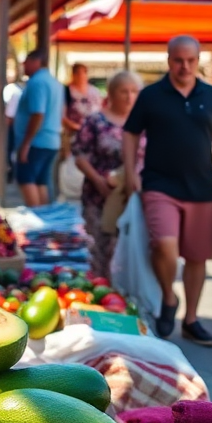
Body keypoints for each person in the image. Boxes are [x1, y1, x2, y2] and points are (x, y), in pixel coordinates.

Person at [123, 36, 212, 347]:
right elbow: (130, 134)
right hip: (159, 184)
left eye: (190, 60)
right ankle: (167, 296)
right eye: (178, 60)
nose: (184, 66)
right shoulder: (151, 95)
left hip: (202, 187)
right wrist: (131, 170)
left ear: (198, 60)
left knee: (198, 257)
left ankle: (191, 319)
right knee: (164, 246)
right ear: (168, 60)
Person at [72, 71, 142, 278]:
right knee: (100, 249)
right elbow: (80, 156)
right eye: (124, 92)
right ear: (111, 94)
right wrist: (99, 181)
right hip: (99, 196)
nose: (129, 97)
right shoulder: (95, 121)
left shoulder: (144, 122)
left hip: (134, 197)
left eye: (134, 92)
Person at [14, 51, 64, 208]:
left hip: (37, 141)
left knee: (26, 178)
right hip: (51, 140)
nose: (24, 66)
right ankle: (44, 221)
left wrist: (26, 143)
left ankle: (37, 219)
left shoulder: (38, 83)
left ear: (36, 62)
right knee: (41, 181)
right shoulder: (54, 82)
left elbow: (38, 114)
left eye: (26, 62)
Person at [63, 63, 103, 134]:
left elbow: (101, 109)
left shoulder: (95, 91)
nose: (81, 76)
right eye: (78, 74)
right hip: (74, 132)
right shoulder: (66, 91)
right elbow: (62, 115)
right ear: (73, 75)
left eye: (83, 73)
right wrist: (76, 127)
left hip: (93, 131)